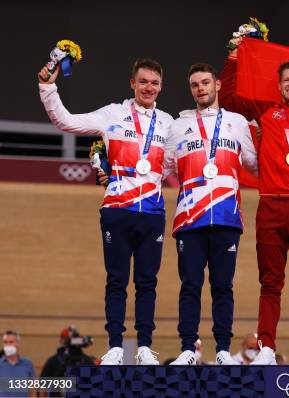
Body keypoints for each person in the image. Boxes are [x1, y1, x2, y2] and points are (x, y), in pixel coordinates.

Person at [38, 59, 173, 366]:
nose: (148, 87)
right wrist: (48, 87)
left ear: (161, 87)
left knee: (147, 283)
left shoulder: (168, 122)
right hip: (116, 210)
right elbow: (66, 121)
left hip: (152, 212)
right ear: (132, 83)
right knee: (116, 281)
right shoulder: (112, 113)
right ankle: (114, 346)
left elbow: (175, 163)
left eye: (154, 82)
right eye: (143, 82)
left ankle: (144, 348)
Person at [219, 38, 289, 365]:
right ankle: (266, 347)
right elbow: (228, 98)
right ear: (279, 85)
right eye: (287, 80)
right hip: (270, 209)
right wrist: (234, 56)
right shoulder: (264, 111)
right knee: (270, 282)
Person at [165, 63, 258, 366]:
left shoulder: (237, 122)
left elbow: (254, 164)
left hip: (226, 215)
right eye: (195, 85)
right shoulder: (177, 126)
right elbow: (161, 168)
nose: (201, 88)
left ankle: (221, 350)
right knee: (190, 285)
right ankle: (188, 350)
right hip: (190, 218)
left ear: (217, 85)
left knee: (222, 286)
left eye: (205, 82)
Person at [40, 326, 95, 397]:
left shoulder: (88, 361)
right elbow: (42, 385)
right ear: (61, 340)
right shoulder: (53, 360)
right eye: (66, 338)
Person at [0, 330, 35, 398]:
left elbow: (32, 390)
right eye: (5, 342)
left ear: (18, 343)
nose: (8, 345)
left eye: (11, 342)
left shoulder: (27, 364)